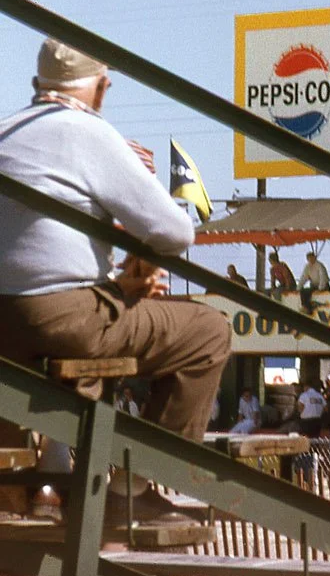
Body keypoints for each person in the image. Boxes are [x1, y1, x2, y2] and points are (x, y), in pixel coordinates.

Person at [0, 39, 231, 471]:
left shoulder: (6, 131)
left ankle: (43, 474)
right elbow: (175, 231)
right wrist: (143, 259)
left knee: (100, 321)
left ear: (37, 84)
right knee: (209, 331)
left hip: (5, 321)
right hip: (60, 317)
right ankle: (137, 485)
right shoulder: (89, 131)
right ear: (102, 87)